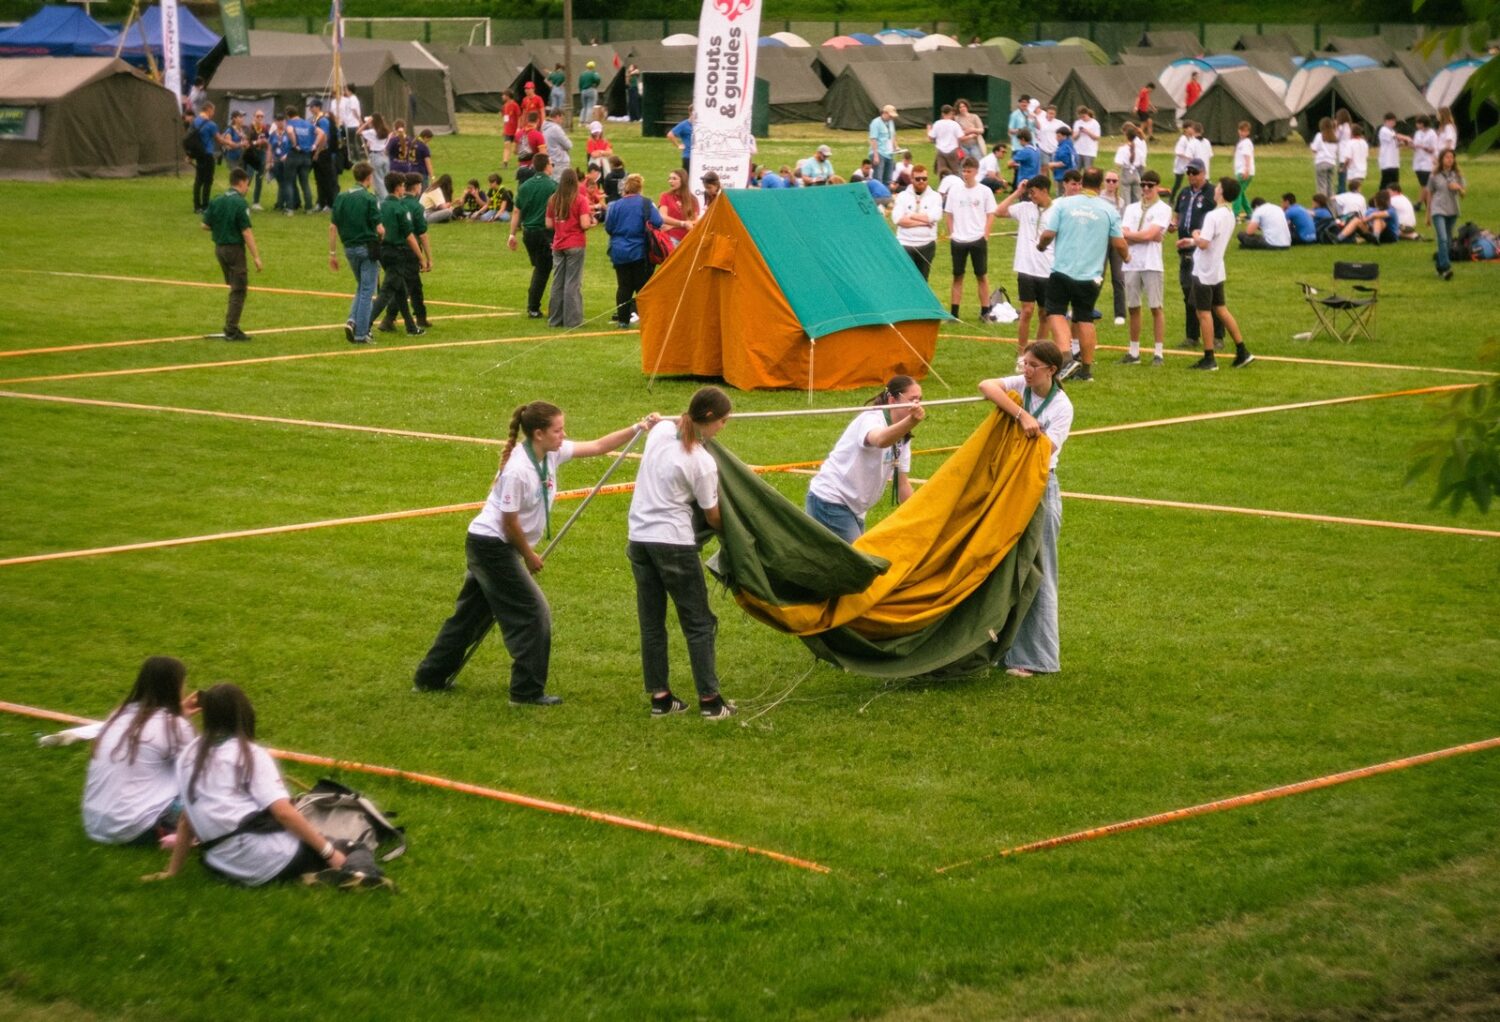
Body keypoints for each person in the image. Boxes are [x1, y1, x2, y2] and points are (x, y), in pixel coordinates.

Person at [413, 403, 660, 702]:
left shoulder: (550, 453)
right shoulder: (518, 470)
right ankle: (526, 691)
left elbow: (597, 446)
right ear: (539, 434)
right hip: (491, 546)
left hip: (495, 545)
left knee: (471, 616)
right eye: (558, 430)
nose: (563, 435)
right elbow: (509, 522)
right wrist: (528, 555)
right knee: (532, 613)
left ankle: (430, 677)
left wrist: (638, 428)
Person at [145, 684, 352, 887]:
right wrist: (329, 853)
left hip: (221, 863)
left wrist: (172, 871)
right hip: (266, 859)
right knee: (348, 847)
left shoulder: (188, 755)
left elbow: (187, 819)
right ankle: (358, 877)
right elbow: (283, 813)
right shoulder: (250, 754)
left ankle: (315, 874)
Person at [626, 386, 736, 720]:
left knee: (652, 621)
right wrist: (734, 530)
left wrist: (659, 418)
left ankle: (660, 698)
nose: (724, 427)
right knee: (699, 622)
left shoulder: (660, 432)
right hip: (674, 544)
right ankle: (710, 701)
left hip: (639, 539)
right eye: (723, 421)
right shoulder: (702, 462)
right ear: (709, 418)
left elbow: (669, 422)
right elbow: (712, 515)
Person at [978, 340, 1073, 678]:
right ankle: (999, 647)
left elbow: (1044, 451)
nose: (1026, 370)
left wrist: (1027, 426)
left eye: (1034, 365)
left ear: (1051, 370)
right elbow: (986, 385)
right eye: (1025, 363)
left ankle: (1037, 658)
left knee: (1039, 568)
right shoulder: (1022, 386)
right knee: (1003, 566)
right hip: (1009, 485)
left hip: (1039, 488)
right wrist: (1020, 415)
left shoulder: (1061, 406)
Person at [83, 655, 195, 847]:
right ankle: (182, 836)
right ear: (175, 686)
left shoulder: (118, 715)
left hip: (94, 823)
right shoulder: (175, 726)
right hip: (136, 826)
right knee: (214, 799)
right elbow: (199, 772)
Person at [805, 376, 926, 542]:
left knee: (842, 556)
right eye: (912, 400)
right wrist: (911, 421)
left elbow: (902, 484)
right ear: (892, 400)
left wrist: (920, 519)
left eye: (920, 400)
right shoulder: (871, 418)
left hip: (855, 508)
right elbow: (880, 440)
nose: (917, 405)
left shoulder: (903, 436)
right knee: (859, 557)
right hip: (831, 500)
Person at [1037, 166, 1125, 383]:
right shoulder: (1109, 210)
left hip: (1063, 271)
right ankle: (1086, 371)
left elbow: (1048, 234)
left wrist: (1041, 245)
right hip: (1090, 276)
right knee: (1085, 318)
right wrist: (1127, 256)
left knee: (1056, 312)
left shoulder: (1063, 204)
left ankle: (1066, 357)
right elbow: (1119, 243)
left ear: (1082, 182)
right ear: (1101, 184)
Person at [1188, 177, 1254, 371]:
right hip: (1217, 269)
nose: (1215, 189)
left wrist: (1195, 235)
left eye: (1218, 187)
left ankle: (1209, 358)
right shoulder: (1230, 214)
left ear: (1222, 192)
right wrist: (1193, 241)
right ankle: (1242, 350)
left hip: (1204, 270)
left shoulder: (1213, 216)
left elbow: (1204, 243)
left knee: (1203, 312)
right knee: (1221, 309)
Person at [997, 175, 1054, 363]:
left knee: (1044, 313)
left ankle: (1039, 354)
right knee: (1027, 311)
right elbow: (999, 211)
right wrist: (1017, 192)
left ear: (1044, 191)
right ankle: (1022, 355)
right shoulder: (1024, 208)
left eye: (1033, 192)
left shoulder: (1057, 211)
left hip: (1048, 269)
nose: (1031, 196)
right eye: (1029, 193)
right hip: (1026, 268)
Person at [201, 168, 262, 342]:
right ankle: (231, 329)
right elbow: (246, 232)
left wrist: (221, 227)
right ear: (241, 182)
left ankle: (231, 326)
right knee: (239, 289)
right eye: (247, 184)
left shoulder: (217, 200)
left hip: (219, 249)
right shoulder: (240, 203)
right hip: (234, 250)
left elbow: (205, 225)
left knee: (234, 286)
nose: (248, 188)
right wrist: (256, 256)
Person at [1119, 169, 1172, 366]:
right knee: (1133, 307)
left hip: (1152, 263)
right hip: (1131, 262)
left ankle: (1158, 353)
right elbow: (1125, 234)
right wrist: (1145, 236)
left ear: (1157, 187)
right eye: (1143, 185)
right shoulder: (1131, 208)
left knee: (1156, 307)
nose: (1146, 189)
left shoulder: (1163, 209)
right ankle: (1134, 352)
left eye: (1150, 185)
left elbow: (1151, 234)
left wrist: (1137, 236)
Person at [329, 161, 384, 345]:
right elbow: (380, 228)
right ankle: (361, 333)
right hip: (367, 247)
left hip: (349, 248)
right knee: (368, 290)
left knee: (361, 286)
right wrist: (383, 240)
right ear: (368, 178)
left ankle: (352, 320)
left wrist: (332, 253)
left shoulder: (341, 197)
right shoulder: (369, 198)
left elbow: (332, 227)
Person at [1172, 159, 1223, 351]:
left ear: (1203, 173)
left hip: (1203, 249)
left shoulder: (1211, 193)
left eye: (1195, 172)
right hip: (1185, 249)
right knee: (1188, 292)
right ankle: (1192, 336)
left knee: (1209, 294)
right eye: (1189, 173)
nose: (1191, 176)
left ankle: (1217, 336)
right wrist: (1173, 224)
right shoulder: (1184, 193)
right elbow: (1178, 214)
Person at [604, 173, 663, 328]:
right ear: (640, 187)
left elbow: (608, 227)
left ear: (626, 187)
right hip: (640, 251)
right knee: (642, 287)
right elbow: (658, 221)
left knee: (623, 287)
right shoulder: (646, 204)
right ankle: (646, 320)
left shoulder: (615, 205)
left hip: (619, 251)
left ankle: (623, 321)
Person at [370, 172, 425, 336]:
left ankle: (411, 327)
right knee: (387, 291)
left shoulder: (381, 205)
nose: (404, 188)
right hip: (396, 252)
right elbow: (410, 236)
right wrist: (421, 257)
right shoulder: (400, 208)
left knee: (401, 290)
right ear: (398, 188)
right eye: (402, 185)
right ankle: (364, 324)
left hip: (382, 251)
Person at [945, 158, 999, 323]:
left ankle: (985, 312)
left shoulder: (985, 191)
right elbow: (948, 213)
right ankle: (954, 314)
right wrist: (952, 233)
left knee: (981, 275)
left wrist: (986, 234)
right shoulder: (954, 190)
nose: (966, 174)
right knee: (957, 276)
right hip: (958, 240)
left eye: (969, 171)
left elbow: (991, 213)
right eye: (964, 171)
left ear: (976, 171)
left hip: (977, 239)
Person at [508, 153, 556, 318]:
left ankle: (536, 305)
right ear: (546, 166)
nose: (552, 167)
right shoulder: (553, 186)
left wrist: (512, 234)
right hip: (544, 232)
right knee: (544, 270)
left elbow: (516, 211)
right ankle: (534, 307)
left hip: (528, 232)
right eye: (551, 164)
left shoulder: (524, 186)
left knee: (540, 268)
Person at [545, 168, 592, 329]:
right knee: (572, 283)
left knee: (557, 282)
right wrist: (590, 224)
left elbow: (548, 224)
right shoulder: (580, 200)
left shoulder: (553, 199)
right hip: (575, 244)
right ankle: (572, 321)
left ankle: (555, 319)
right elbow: (584, 224)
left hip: (558, 244)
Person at [891, 164, 943, 280]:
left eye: (924, 178)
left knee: (923, 280)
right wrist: (924, 222)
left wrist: (910, 215)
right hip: (905, 244)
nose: (921, 181)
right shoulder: (902, 196)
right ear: (911, 179)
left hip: (926, 244)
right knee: (905, 280)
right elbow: (898, 219)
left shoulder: (936, 197)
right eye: (918, 179)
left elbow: (933, 217)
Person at [1428, 148, 1465, 281]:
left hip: (1452, 210)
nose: (1450, 159)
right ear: (1441, 159)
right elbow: (1430, 193)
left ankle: (1439, 265)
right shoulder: (1434, 175)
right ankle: (1446, 268)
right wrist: (1427, 214)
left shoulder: (1457, 175)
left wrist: (1458, 188)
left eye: (1452, 157)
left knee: (1448, 241)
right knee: (1442, 238)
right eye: (1447, 157)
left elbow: (1463, 194)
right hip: (1438, 209)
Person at [189, 103, 227, 213]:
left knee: (198, 180)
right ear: (209, 109)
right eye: (213, 111)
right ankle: (205, 206)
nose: (213, 113)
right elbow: (219, 140)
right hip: (208, 154)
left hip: (198, 154)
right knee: (208, 181)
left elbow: (190, 138)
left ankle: (197, 206)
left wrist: (189, 155)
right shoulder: (211, 124)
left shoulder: (194, 122)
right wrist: (233, 143)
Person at [284, 104, 321, 214]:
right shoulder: (307, 124)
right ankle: (309, 208)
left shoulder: (290, 123)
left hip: (294, 154)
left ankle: (290, 208)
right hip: (306, 155)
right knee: (305, 183)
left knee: (289, 182)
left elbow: (290, 131)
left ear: (287, 115)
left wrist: (295, 144)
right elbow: (321, 133)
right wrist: (314, 145)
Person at [309, 99, 339, 212]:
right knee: (319, 178)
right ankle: (321, 202)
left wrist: (317, 152)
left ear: (318, 107)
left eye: (312, 106)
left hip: (323, 152)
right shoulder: (314, 119)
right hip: (316, 151)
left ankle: (330, 203)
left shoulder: (323, 120)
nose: (310, 109)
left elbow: (324, 137)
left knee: (327, 179)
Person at [658, 169, 698, 248]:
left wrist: (674, 225)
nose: (670, 181)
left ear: (683, 181)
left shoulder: (693, 199)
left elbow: (695, 221)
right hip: (670, 238)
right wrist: (683, 224)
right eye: (669, 178)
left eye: (674, 179)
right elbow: (663, 217)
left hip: (687, 239)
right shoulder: (665, 196)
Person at [927, 105, 965, 179]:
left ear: (942, 113)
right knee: (955, 171)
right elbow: (961, 137)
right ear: (951, 113)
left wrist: (928, 129)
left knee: (942, 172)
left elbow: (931, 137)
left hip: (940, 151)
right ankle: (957, 184)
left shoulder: (937, 124)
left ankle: (943, 185)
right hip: (953, 150)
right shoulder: (954, 124)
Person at [1410, 115, 1439, 211]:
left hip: (1428, 162)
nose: (1417, 125)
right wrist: (1411, 145)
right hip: (1418, 162)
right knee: (1422, 183)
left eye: (1419, 123)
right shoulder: (1417, 133)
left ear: (1424, 123)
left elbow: (1434, 149)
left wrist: (1423, 147)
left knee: (1425, 184)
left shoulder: (1432, 134)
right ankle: (1429, 205)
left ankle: (1418, 204)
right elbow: (1415, 146)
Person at [360, 113, 390, 199]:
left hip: (375, 156)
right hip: (384, 156)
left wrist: (366, 123)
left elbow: (359, 132)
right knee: (386, 179)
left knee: (378, 181)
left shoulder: (372, 132)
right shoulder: (385, 131)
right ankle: (388, 197)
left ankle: (383, 200)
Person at [1115, 123, 1146, 207]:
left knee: (1125, 200)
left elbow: (1118, 164)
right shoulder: (1138, 149)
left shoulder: (1122, 149)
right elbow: (1142, 163)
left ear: (1126, 136)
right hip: (1136, 173)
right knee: (1137, 199)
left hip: (1126, 173)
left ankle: (1126, 213)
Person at [1311, 117, 1340, 202]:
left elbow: (1314, 149)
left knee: (1321, 185)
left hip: (1321, 162)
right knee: (1330, 186)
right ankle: (1331, 204)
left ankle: (1322, 203)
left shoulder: (1319, 136)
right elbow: (1336, 151)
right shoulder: (1334, 137)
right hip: (1331, 163)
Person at [513, 112, 547, 186]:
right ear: (538, 120)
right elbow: (543, 155)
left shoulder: (518, 134)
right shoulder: (538, 135)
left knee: (522, 190)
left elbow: (515, 151)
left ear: (527, 120)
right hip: (533, 169)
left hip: (521, 169)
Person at [869, 104, 898, 186]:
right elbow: (873, 139)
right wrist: (875, 155)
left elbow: (892, 136)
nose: (891, 118)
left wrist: (895, 147)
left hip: (889, 154)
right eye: (890, 116)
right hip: (879, 153)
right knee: (878, 179)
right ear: (884, 113)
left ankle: (887, 193)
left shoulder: (891, 122)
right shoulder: (875, 123)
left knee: (888, 179)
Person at [1232, 121, 1254, 219]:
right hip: (1241, 170)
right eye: (1241, 130)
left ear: (1248, 132)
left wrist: (1246, 169)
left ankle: (1235, 213)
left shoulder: (1246, 143)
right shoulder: (1242, 142)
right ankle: (1249, 213)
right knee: (1241, 192)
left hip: (1244, 171)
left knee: (1236, 191)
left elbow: (1247, 157)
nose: (1242, 133)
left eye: (1245, 131)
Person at [954, 98, 986, 163]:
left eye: (964, 106)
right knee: (965, 163)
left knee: (978, 161)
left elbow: (981, 130)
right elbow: (957, 133)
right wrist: (967, 132)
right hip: (962, 145)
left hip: (974, 144)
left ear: (967, 107)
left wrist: (973, 130)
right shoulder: (956, 118)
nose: (962, 108)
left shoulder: (974, 117)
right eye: (960, 107)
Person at [1171, 121, 1196, 199]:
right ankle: (1171, 198)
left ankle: (1191, 197)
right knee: (1178, 183)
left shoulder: (1193, 139)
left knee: (1193, 181)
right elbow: (1178, 152)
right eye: (1191, 128)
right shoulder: (1182, 139)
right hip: (1180, 165)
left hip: (1190, 165)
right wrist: (1188, 157)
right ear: (1185, 129)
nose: (1192, 130)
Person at [1344, 124, 1370, 193]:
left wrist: (1344, 168)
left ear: (1352, 132)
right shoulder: (1364, 143)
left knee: (1353, 191)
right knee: (1358, 189)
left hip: (1353, 171)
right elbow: (1366, 157)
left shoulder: (1350, 143)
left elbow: (1348, 158)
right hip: (1362, 170)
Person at [1334, 108, 1354, 193]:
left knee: (1341, 179)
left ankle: (1341, 194)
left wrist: (1335, 127)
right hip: (1349, 154)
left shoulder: (1341, 128)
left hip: (1342, 155)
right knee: (1345, 177)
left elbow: (1335, 138)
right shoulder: (1349, 127)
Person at [500, 89, 520, 168]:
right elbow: (505, 119)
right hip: (508, 131)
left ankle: (521, 163)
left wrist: (518, 128)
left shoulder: (515, 105)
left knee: (516, 150)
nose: (502, 97)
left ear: (508, 96)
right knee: (506, 145)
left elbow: (519, 117)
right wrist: (504, 129)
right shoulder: (504, 106)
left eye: (503, 95)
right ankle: (505, 162)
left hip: (515, 130)